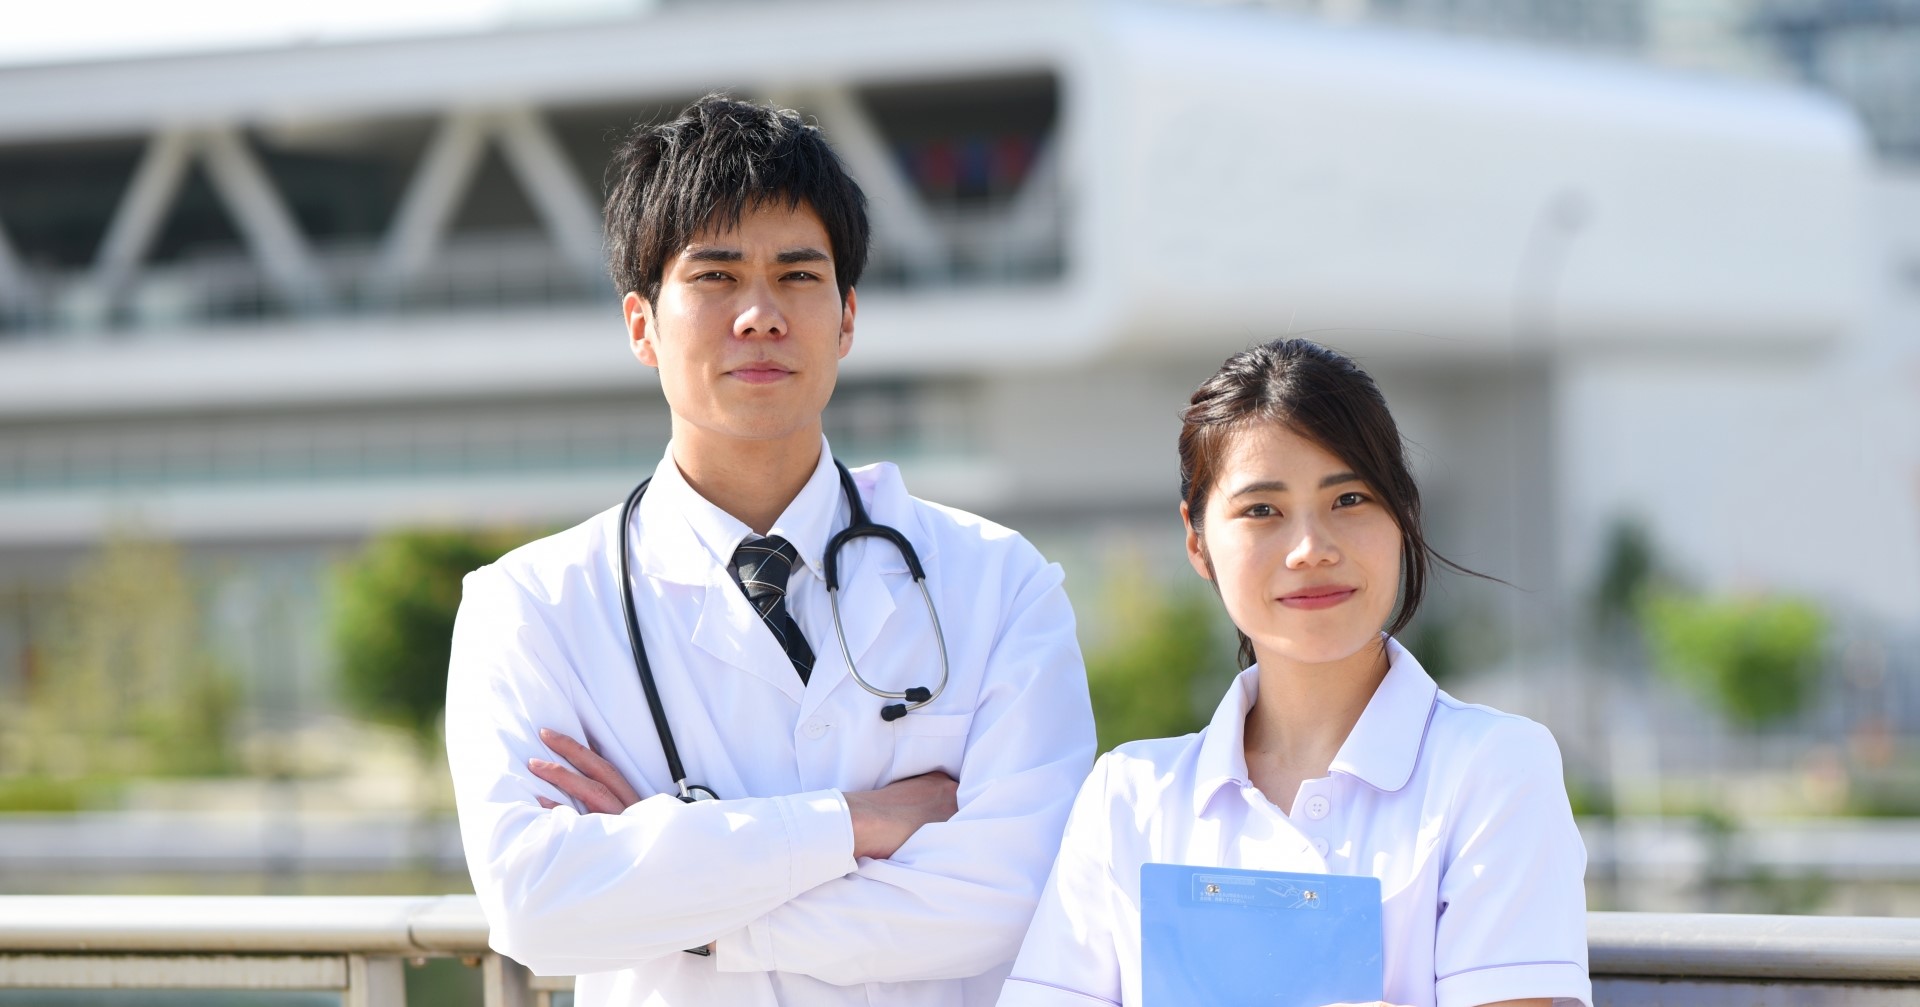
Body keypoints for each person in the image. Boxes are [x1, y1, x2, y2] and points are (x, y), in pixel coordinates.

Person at [444, 95, 1096, 1007]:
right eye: (715, 277)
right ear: (641, 324)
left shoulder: (998, 581)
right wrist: (857, 822)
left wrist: (689, 908)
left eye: (797, 275)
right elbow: (536, 903)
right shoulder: (531, 605)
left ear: (848, 317)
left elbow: (1012, 896)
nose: (759, 315)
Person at [999, 339, 1591, 1007]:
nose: (1311, 548)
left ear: (1404, 514)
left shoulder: (1494, 768)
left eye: (1350, 498)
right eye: (1262, 510)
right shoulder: (1129, 796)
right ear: (1197, 540)